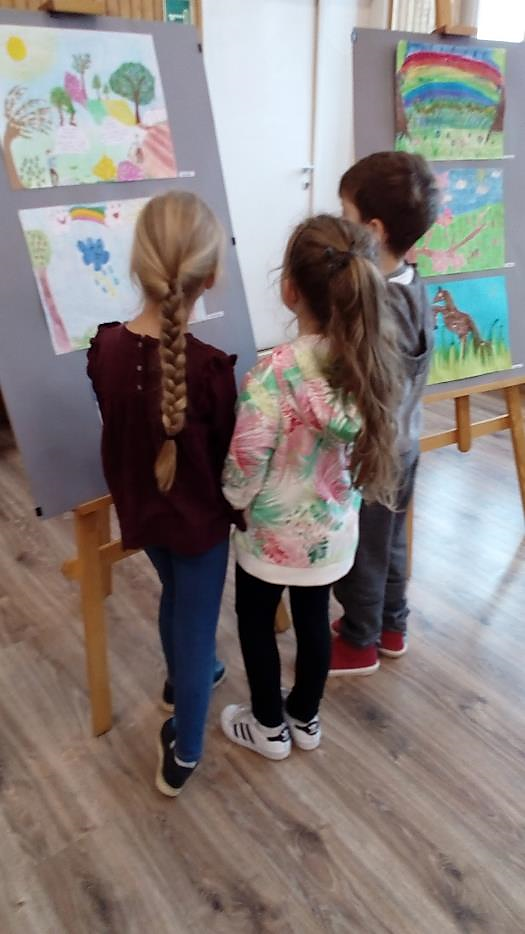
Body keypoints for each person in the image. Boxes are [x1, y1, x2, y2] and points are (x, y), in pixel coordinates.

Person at [220, 215, 403, 759]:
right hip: (330, 538)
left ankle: (268, 726)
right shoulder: (369, 368)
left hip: (269, 539)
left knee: (256, 623)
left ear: (289, 290)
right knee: (314, 622)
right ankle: (305, 716)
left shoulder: (272, 374)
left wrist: (233, 502)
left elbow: (246, 460)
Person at [87, 191, 238, 796]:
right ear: (211, 275)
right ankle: (186, 751)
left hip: (143, 513)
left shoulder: (105, 349)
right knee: (195, 621)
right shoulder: (210, 369)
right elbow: (228, 457)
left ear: (139, 265)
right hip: (199, 525)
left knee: (175, 593)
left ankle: (182, 681)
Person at [329, 151, 439, 676]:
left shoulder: (381, 305)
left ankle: (360, 641)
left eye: (345, 215)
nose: (340, 224)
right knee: (391, 543)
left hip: (375, 453)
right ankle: (391, 626)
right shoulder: (413, 283)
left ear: (372, 230)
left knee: (367, 551)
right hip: (405, 444)